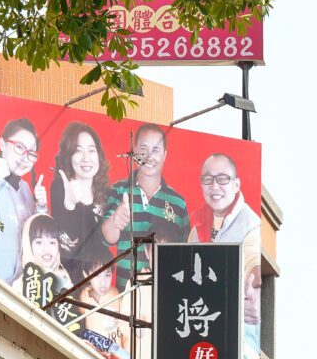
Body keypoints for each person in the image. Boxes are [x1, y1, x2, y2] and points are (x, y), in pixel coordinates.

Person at [100, 122, 189, 271]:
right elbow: (107, 238)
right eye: (143, 149)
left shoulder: (178, 203)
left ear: (165, 154)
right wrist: (115, 221)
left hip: (163, 291)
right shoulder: (119, 190)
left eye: (155, 150)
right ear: (134, 152)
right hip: (126, 291)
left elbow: (185, 253)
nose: (149, 156)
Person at [0, 117, 44, 282]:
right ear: (2, 144)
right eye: (19, 147)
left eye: (31, 153)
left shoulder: (25, 189)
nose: (24, 158)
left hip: (21, 289)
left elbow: (36, 237)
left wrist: (41, 207)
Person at [47, 120, 111, 285]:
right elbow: (70, 240)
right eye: (78, 151)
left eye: (91, 151)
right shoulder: (60, 187)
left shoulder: (104, 192)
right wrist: (70, 206)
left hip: (99, 281)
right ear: (69, 156)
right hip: (67, 282)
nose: (86, 158)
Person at [188, 152, 261, 250]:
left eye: (222, 179)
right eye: (208, 179)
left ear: (236, 185)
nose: (214, 186)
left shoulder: (251, 228)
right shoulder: (197, 228)